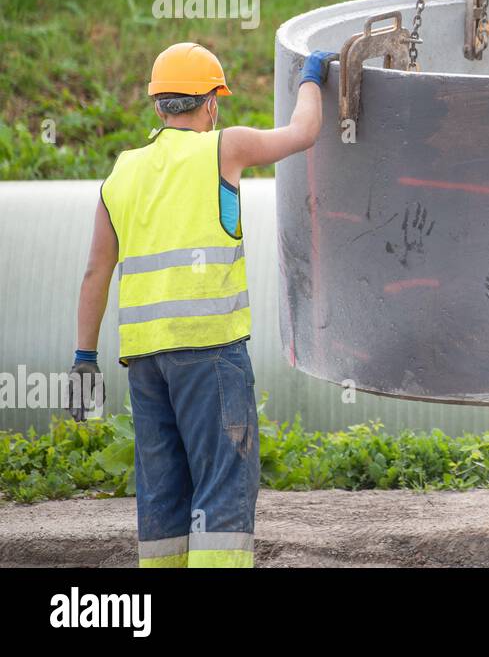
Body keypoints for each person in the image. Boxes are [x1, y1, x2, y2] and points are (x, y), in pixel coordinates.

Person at [66, 41, 335, 567]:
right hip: (210, 353)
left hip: (144, 362)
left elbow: (97, 270)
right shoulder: (224, 148)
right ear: (211, 103)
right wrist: (311, 76)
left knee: (162, 492)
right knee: (222, 488)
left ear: (157, 105)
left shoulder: (122, 173)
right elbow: (303, 133)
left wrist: (83, 358)